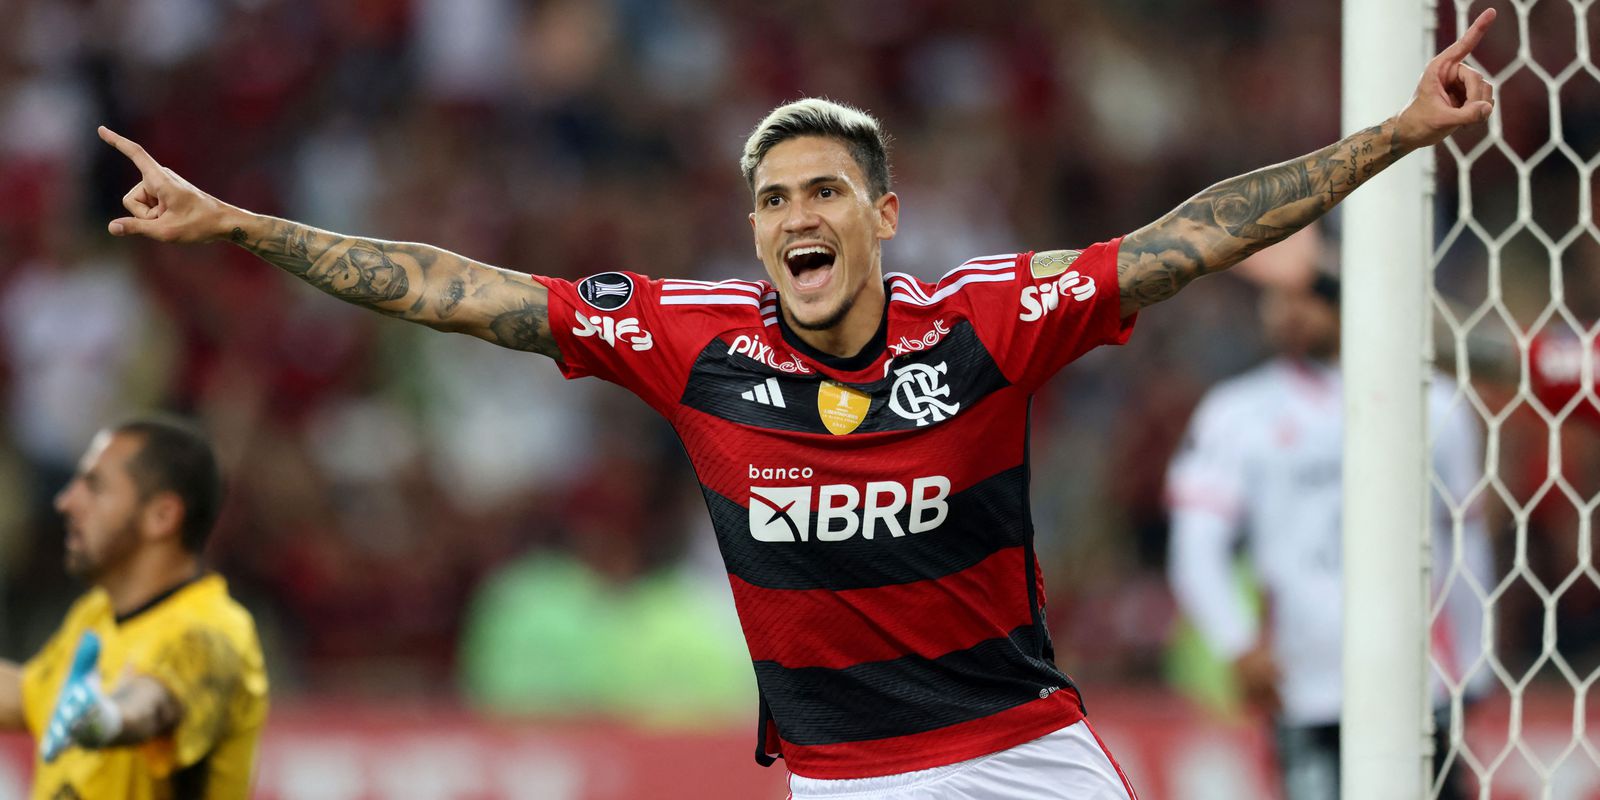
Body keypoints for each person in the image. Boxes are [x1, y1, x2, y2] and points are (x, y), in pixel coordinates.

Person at [90, 9, 1497, 797]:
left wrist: (1396, 133)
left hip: (1025, 759)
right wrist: (244, 224)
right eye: (771, 200)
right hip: (843, 780)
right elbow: (459, 289)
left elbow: (1188, 239)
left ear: (882, 213)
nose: (795, 217)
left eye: (824, 190)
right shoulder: (689, 339)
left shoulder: (986, 319)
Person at [1164, 234, 1493, 800]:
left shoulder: (1438, 403)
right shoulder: (1234, 414)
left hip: (1420, 682)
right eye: (1276, 295)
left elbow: (1466, 542)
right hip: (1303, 685)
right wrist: (1236, 644)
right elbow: (1196, 551)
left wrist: (1476, 661)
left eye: (1307, 291)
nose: (1289, 309)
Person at [0, 417, 268, 799]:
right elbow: (30, 696)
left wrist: (105, 718)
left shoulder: (211, 632)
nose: (66, 502)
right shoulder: (96, 614)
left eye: (94, 487)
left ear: (162, 516)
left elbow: (152, 704)